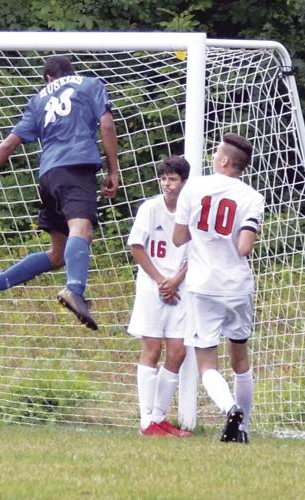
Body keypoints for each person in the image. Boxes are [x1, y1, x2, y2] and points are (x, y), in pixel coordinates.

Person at [0, 55, 119, 329]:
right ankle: (74, 289)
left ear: (49, 78)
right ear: (69, 73)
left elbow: (8, 144)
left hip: (49, 175)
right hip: (77, 168)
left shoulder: (38, 100)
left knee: (58, 254)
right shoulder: (89, 84)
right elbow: (107, 125)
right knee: (82, 230)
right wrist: (113, 171)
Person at [173, 133, 264, 443]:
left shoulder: (194, 188)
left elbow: (178, 238)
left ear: (224, 161)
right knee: (240, 359)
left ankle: (230, 409)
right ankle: (244, 428)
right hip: (237, 286)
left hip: (203, 285)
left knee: (206, 362)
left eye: (215, 153)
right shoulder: (252, 197)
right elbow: (244, 247)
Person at [127, 156, 192, 437]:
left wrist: (175, 280)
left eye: (173, 179)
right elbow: (136, 246)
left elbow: (196, 251)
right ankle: (146, 422)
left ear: (184, 182)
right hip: (152, 287)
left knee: (178, 351)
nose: (167, 184)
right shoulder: (150, 208)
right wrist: (160, 280)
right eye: (164, 178)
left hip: (181, 288)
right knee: (152, 349)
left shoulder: (191, 212)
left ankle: (160, 417)